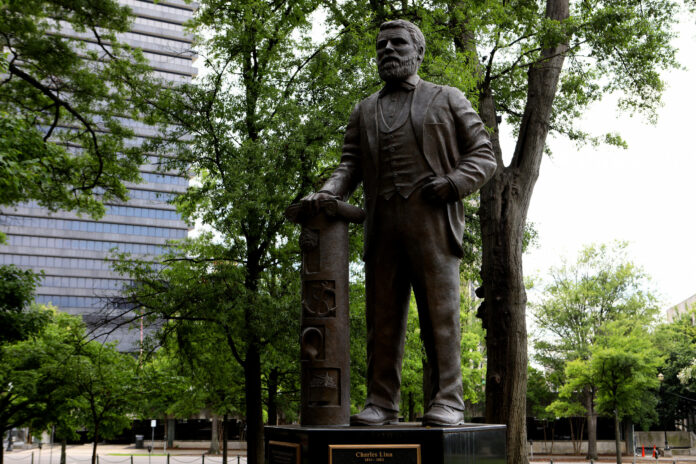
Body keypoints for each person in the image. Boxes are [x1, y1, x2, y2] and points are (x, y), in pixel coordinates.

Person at [303, 19, 496, 426]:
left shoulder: (447, 98)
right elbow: (349, 166)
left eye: (397, 43)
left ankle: (448, 400)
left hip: (433, 225)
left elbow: (483, 155)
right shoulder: (365, 109)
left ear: (418, 51)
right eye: (381, 45)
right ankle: (381, 401)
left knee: (440, 319)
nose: (388, 50)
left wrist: (452, 184)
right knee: (382, 321)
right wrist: (328, 192)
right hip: (383, 228)